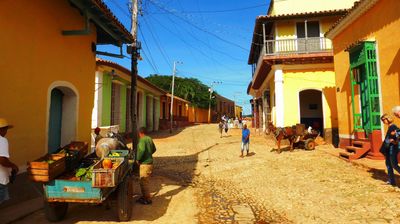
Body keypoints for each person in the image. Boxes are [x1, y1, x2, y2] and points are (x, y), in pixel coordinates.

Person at [136, 127, 157, 205]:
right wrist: (149, 154)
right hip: (150, 163)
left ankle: (147, 199)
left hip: (145, 164)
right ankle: (145, 196)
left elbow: (141, 150)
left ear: (140, 133)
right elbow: (154, 149)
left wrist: (138, 159)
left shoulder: (142, 140)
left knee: (143, 181)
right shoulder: (149, 139)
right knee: (146, 181)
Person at [0, 118, 18, 204]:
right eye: (6, 129)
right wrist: (13, 166)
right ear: (2, 129)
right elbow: (2, 160)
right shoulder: (2, 140)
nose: (6, 131)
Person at [380, 114, 400, 186]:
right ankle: (391, 181)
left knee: (394, 165)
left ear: (388, 119)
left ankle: (391, 180)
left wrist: (394, 141)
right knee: (388, 164)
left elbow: (398, 137)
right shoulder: (390, 127)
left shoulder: (393, 127)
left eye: (383, 120)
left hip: (393, 148)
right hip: (389, 149)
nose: (383, 122)